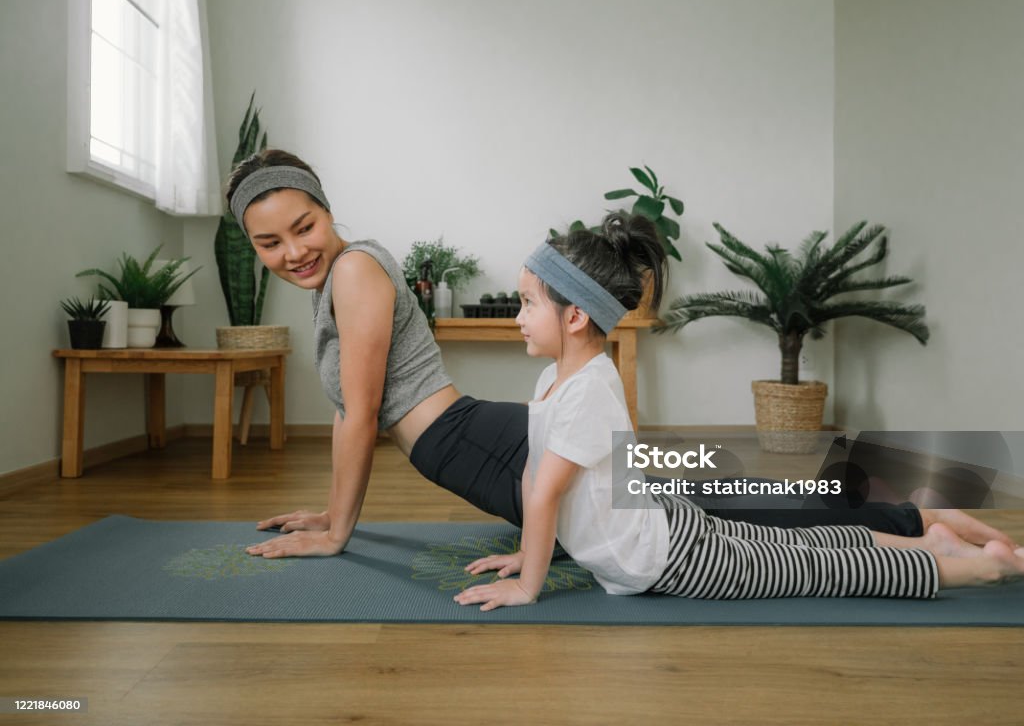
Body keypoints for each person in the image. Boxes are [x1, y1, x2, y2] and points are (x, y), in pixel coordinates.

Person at [230, 149, 1013, 559]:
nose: (292, 249)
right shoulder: (337, 275)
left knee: (726, 507)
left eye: (304, 226)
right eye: (268, 242)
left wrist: (339, 534)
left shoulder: (357, 270)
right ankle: (915, 508)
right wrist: (332, 510)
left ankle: (919, 517)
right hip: (486, 440)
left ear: (327, 210)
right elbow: (352, 411)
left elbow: (361, 414)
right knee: (721, 489)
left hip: (483, 445)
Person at [453, 215, 1024, 610]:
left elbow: (547, 493)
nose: (520, 314)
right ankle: (934, 545)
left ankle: (981, 568)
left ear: (575, 317)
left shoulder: (588, 390)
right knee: (799, 548)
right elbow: (534, 478)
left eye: (529, 302)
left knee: (813, 570)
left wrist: (528, 588)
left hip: (666, 558)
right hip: (664, 528)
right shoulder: (554, 377)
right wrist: (527, 552)